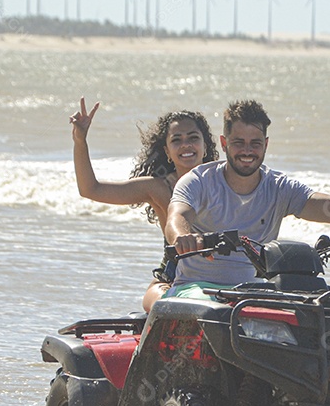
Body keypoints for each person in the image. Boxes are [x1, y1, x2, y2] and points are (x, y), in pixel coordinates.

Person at [165, 99, 330, 296]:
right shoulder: (199, 181)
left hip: (249, 291)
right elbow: (177, 217)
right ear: (224, 143)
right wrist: (183, 237)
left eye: (255, 143)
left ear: (266, 144)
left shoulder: (280, 188)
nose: (247, 151)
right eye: (239, 142)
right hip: (194, 289)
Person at [69, 96, 219, 310]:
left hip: (221, 278)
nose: (186, 144)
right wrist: (80, 141)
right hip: (171, 280)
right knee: (172, 308)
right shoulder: (157, 188)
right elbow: (90, 189)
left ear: (205, 146)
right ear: (167, 151)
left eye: (193, 137)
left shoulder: (225, 183)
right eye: (176, 140)